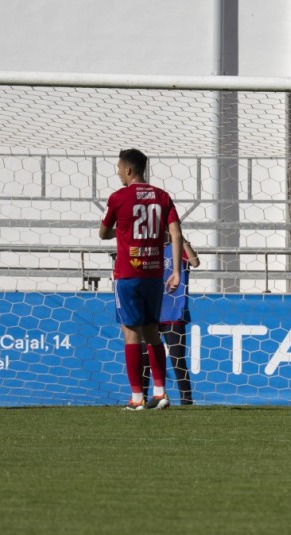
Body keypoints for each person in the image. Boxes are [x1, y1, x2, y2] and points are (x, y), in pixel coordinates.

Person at [100, 148, 183, 411]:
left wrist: (122, 229)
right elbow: (176, 234)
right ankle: (160, 394)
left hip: (127, 274)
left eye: (118, 168)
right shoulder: (162, 196)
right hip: (154, 274)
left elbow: (103, 233)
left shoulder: (118, 197)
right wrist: (176, 271)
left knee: (131, 334)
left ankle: (137, 398)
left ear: (127, 169)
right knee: (152, 333)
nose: (118, 173)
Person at [157, 236, 200, 405]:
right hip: (151, 312)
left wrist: (180, 238)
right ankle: (143, 397)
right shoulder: (150, 250)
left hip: (174, 313)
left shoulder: (177, 248)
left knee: (177, 358)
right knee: (146, 358)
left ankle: (186, 399)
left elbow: (195, 262)